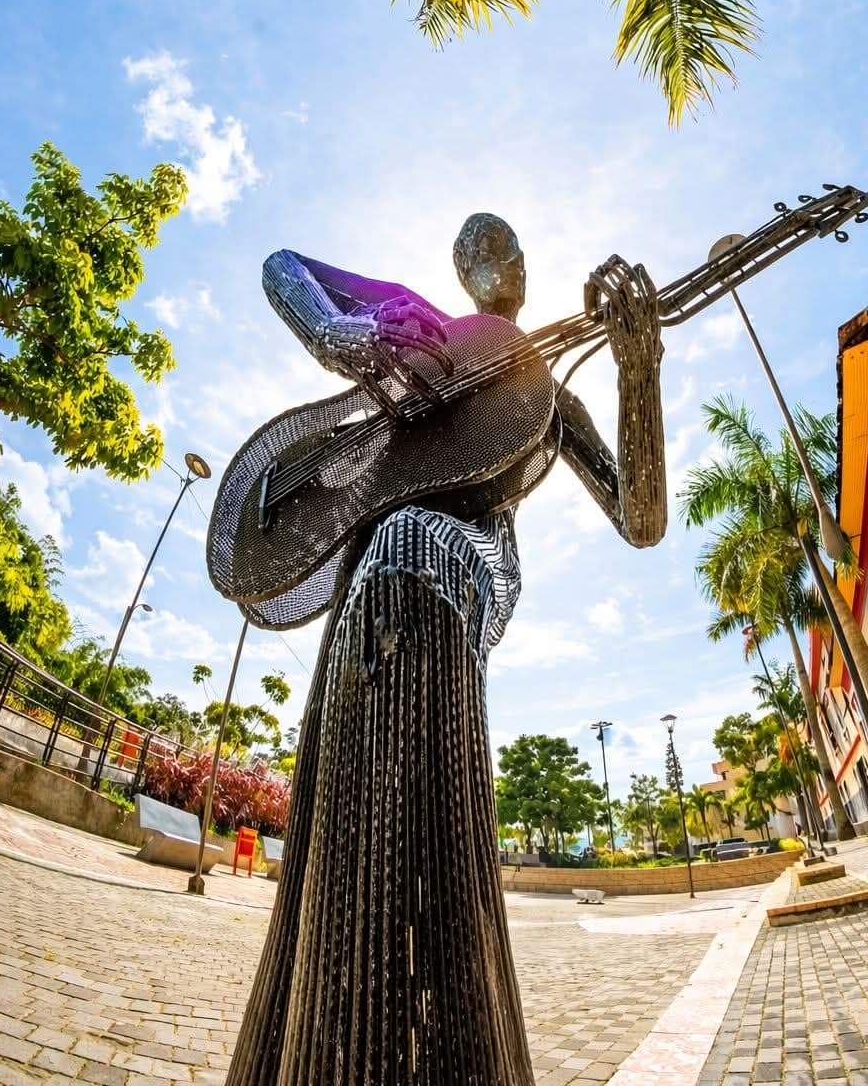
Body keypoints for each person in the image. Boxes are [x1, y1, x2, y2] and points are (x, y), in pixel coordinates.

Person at [224, 213, 667, 1086]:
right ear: (458, 273)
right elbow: (283, 266)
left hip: (452, 588)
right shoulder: (417, 328)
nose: (492, 261)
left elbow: (640, 519)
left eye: (504, 247)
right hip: (366, 593)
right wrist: (345, 334)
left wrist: (639, 372)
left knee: (419, 560)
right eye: (474, 251)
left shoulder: (550, 392)